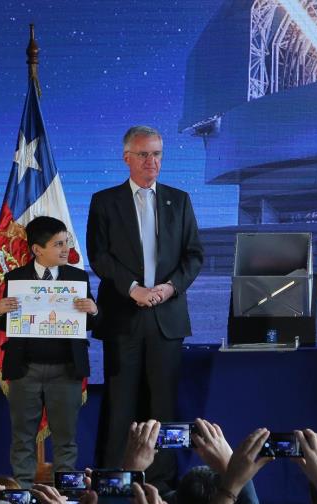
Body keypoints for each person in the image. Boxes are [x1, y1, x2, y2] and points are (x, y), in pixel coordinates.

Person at [87, 125, 204, 490]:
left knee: (163, 406)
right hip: (123, 316)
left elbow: (194, 255)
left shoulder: (179, 200)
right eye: (143, 154)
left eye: (157, 154)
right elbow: (99, 256)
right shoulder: (105, 201)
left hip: (166, 318)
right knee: (120, 403)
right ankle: (114, 478)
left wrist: (170, 287)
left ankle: (161, 482)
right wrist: (133, 289)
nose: (151, 161)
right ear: (127, 158)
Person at [0, 216, 100, 487]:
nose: (66, 249)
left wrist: (94, 311)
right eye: (58, 244)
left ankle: (64, 492)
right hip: (25, 369)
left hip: (66, 369)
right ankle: (24, 491)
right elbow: (3, 323)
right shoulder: (15, 278)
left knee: (66, 438)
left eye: (66, 243)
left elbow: (91, 323)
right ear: (37, 249)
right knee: (22, 437)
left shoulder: (77, 277)